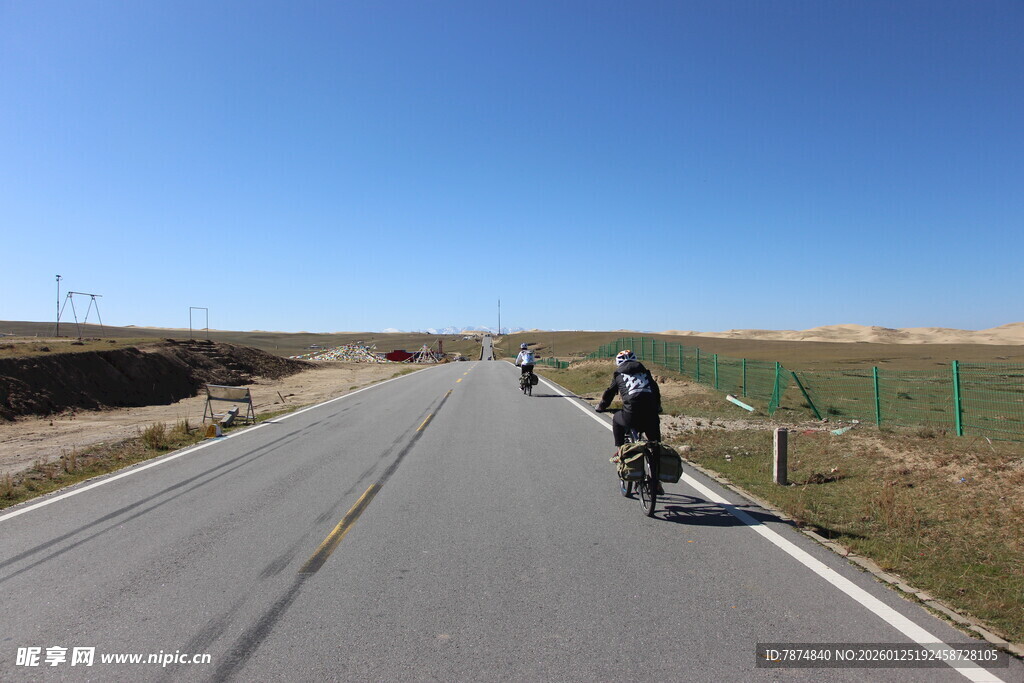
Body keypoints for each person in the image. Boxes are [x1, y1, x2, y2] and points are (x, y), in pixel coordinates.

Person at [596, 349, 662, 451]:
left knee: (616, 419)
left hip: (631, 414)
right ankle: (658, 454)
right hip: (651, 413)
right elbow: (655, 391)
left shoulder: (618, 375)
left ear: (618, 362)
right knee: (655, 442)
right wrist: (658, 407)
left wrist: (601, 406)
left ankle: (620, 451)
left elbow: (610, 393)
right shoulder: (646, 373)